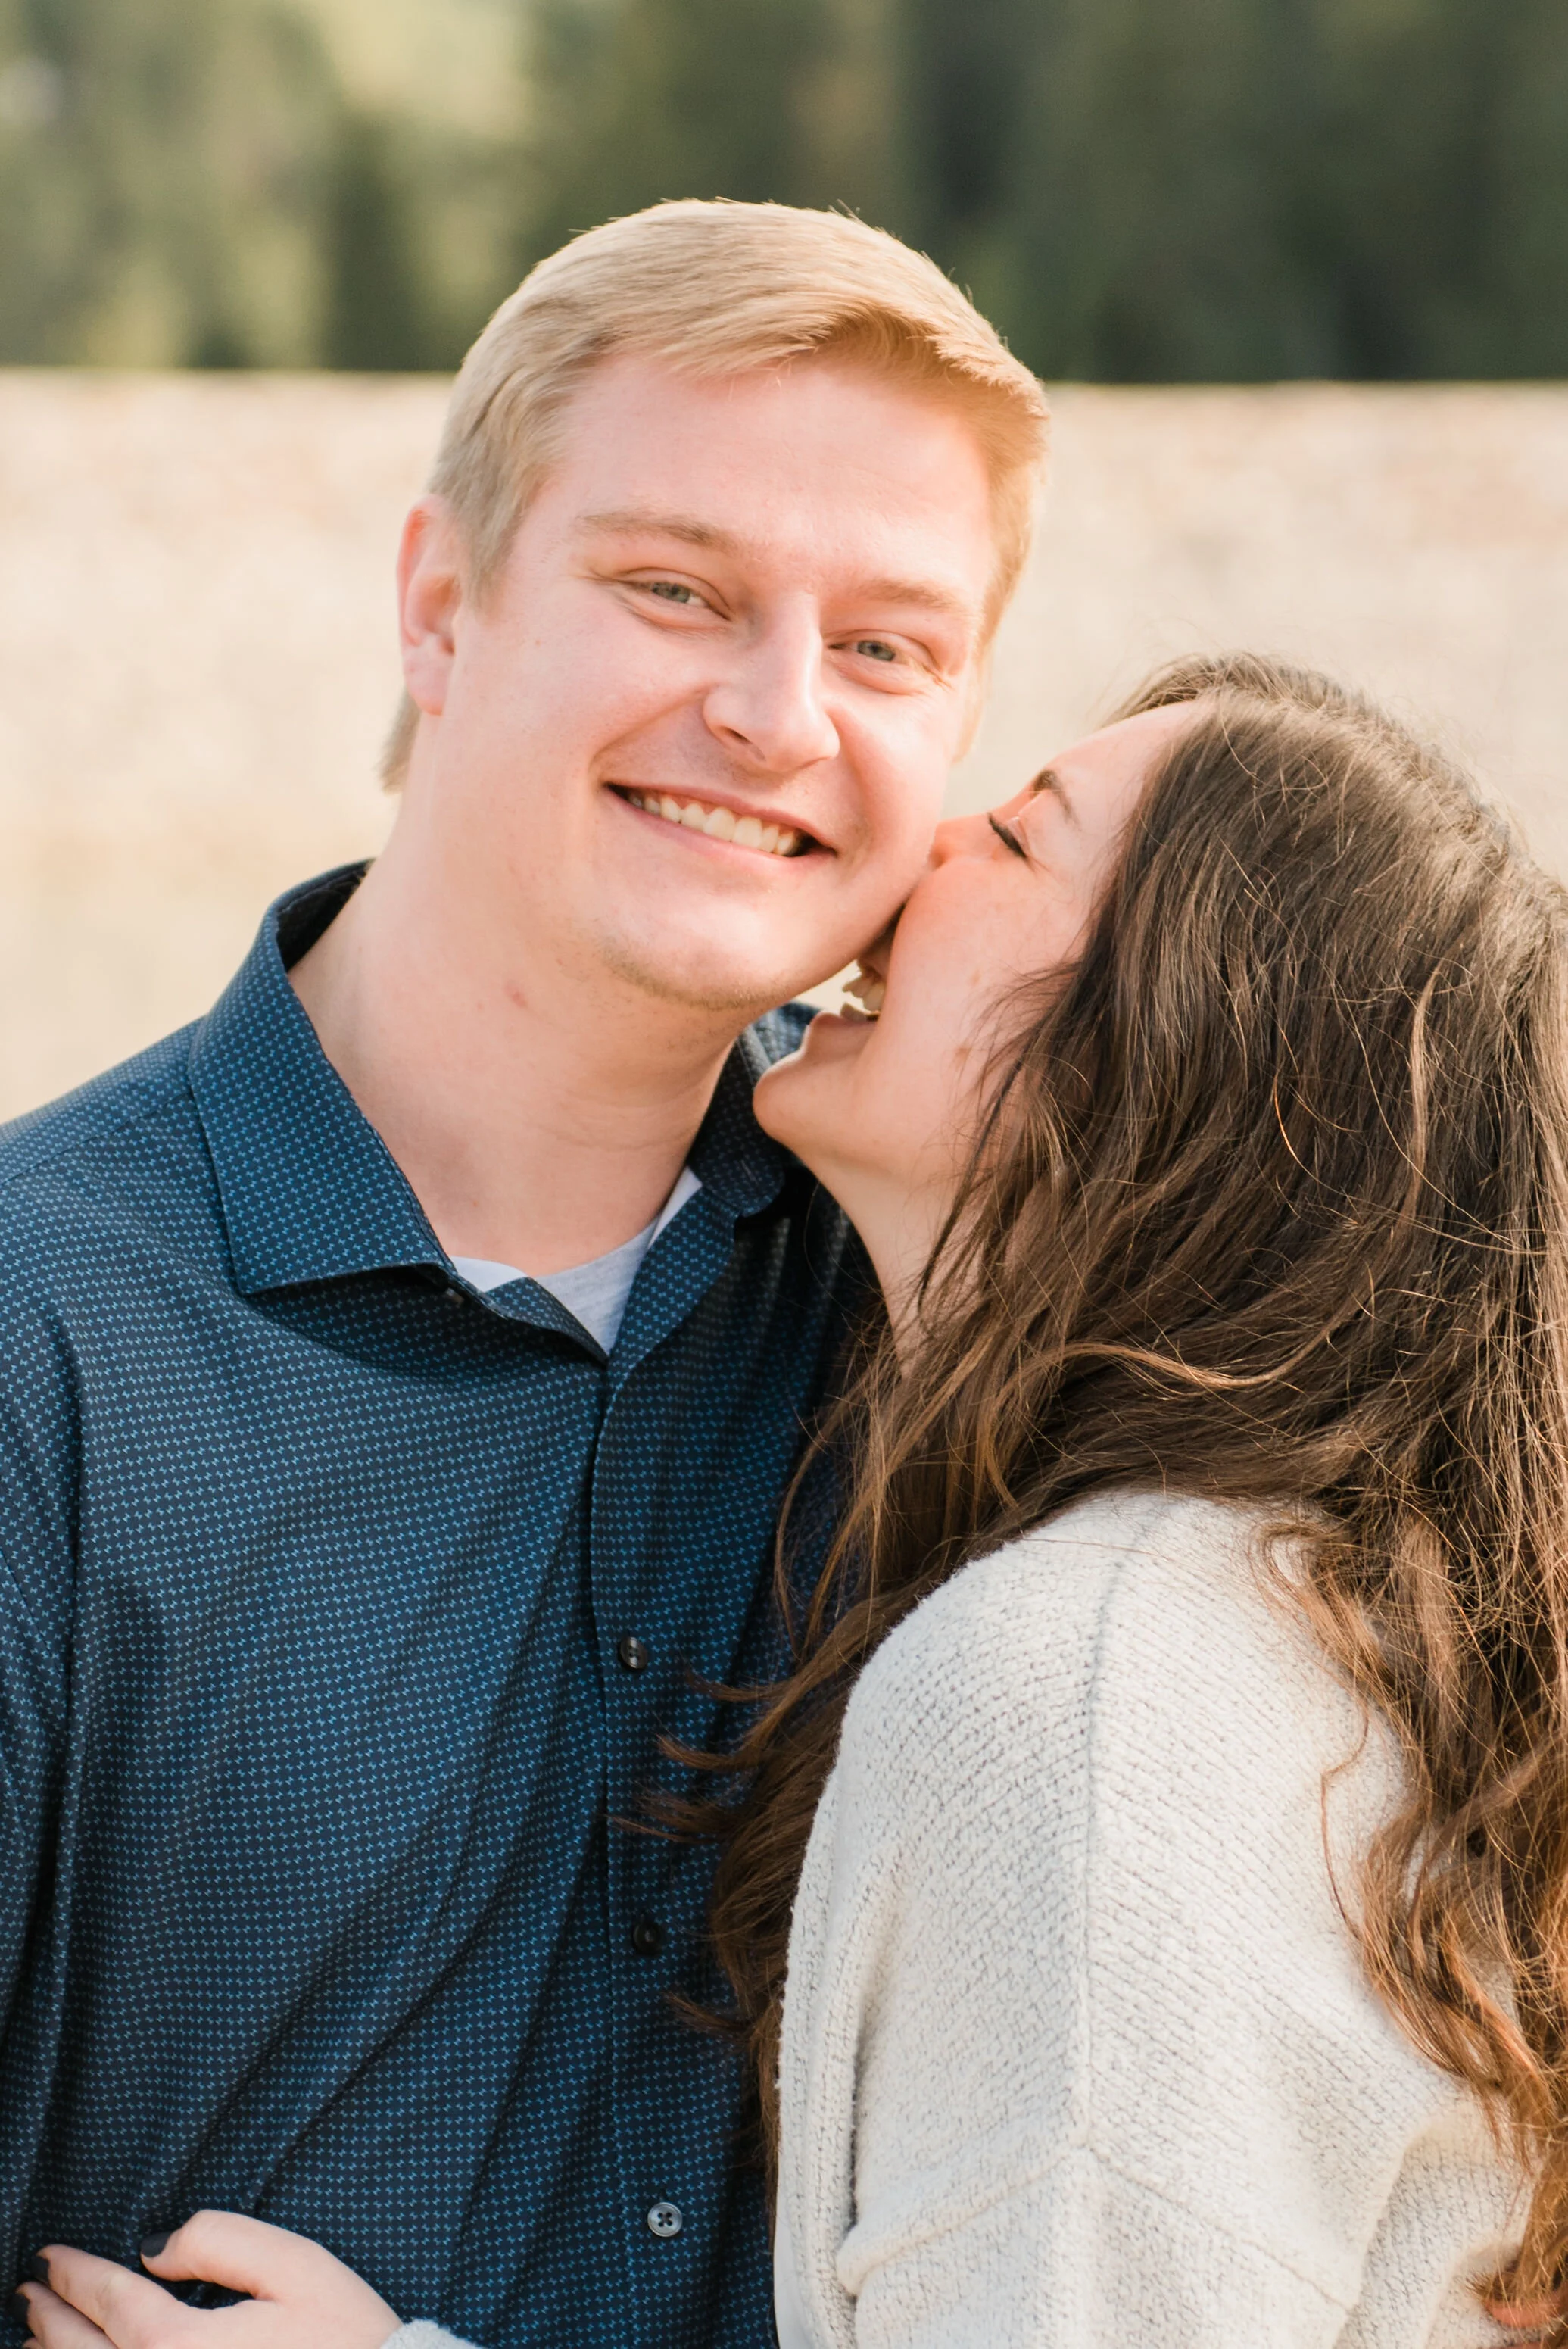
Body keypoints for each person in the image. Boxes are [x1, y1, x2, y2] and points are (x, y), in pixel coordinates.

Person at [25, 654, 1568, 2348]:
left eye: (1026, 836)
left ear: (1173, 1049)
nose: (931, 840)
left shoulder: (1095, 1697)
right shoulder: (1278, 1623)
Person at [0, 200, 1048, 2349]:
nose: (771, 713)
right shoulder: (41, 1333)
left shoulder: (955, 1333)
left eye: (882, 647)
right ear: (439, 602)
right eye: (671, 588)